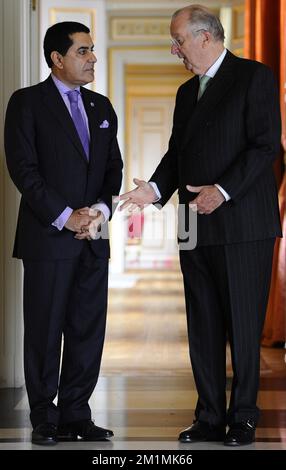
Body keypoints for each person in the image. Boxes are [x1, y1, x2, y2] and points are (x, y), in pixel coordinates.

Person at [117, 5, 282, 446]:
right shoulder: (186, 93)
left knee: (244, 327)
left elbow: (264, 146)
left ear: (205, 37)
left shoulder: (254, 77)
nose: (174, 50)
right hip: (192, 223)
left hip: (244, 226)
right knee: (203, 324)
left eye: (178, 40)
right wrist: (150, 190)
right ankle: (209, 416)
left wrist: (222, 191)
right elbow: (176, 156)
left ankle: (243, 416)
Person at [4, 22, 123, 445]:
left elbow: (113, 168)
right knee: (44, 329)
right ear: (57, 58)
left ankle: (77, 415)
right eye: (83, 51)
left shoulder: (103, 107)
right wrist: (65, 216)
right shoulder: (27, 103)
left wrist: (100, 213)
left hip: (94, 238)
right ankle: (44, 419)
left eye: (92, 50)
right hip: (48, 238)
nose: (93, 58)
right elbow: (23, 169)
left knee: (88, 329)